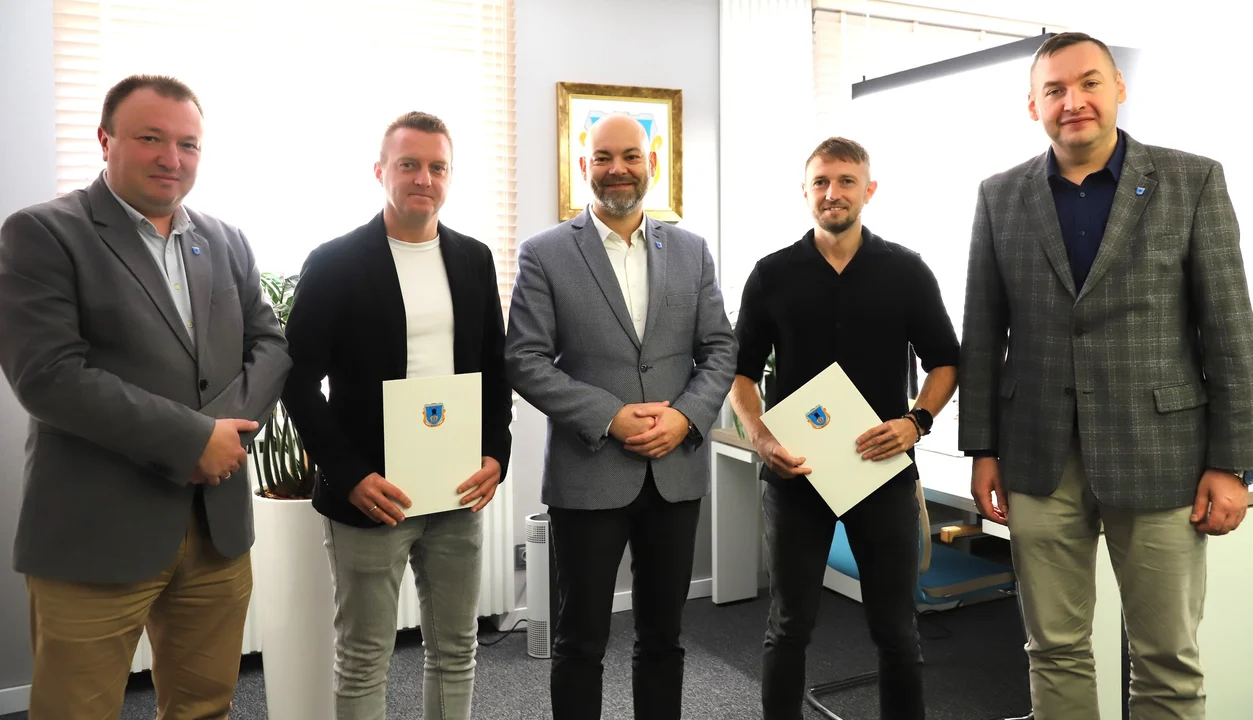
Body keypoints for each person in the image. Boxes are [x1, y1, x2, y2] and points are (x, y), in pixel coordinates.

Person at [959, 32, 1253, 720]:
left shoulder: (1192, 180)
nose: (1073, 101)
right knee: (1053, 648)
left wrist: (1231, 463)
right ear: (1032, 105)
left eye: (1088, 82)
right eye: (1054, 90)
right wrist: (983, 448)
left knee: (1166, 658)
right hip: (1036, 454)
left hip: (1162, 455)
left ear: (1118, 87)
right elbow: (983, 333)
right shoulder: (999, 195)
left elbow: (1229, 333)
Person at [0, 74, 291, 719]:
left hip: (215, 529)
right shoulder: (44, 232)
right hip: (96, 529)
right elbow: (48, 374)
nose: (172, 158)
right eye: (151, 138)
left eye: (188, 144)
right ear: (105, 140)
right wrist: (193, 440)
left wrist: (218, 439)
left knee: (204, 707)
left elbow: (271, 346)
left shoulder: (226, 239)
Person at [281, 110, 512, 720]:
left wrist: (497, 452)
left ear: (451, 176)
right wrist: (348, 475)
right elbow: (298, 382)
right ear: (380, 170)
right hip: (371, 494)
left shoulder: (474, 259)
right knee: (364, 658)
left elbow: (495, 368)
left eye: (438, 167)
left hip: (457, 489)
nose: (423, 178)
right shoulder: (334, 261)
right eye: (409, 164)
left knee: (457, 650)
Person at [505, 113, 736, 719]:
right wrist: (610, 416)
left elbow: (719, 348)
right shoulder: (546, 253)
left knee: (664, 637)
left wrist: (686, 417)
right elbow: (525, 359)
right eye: (604, 157)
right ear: (585, 166)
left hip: (675, 473)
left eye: (630, 156)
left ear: (650, 163)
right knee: (580, 641)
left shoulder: (690, 250)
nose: (618, 169)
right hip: (588, 473)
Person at [730, 136, 959, 720]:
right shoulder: (772, 274)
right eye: (821, 182)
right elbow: (739, 372)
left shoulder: (906, 270)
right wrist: (761, 438)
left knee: (896, 629)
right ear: (805, 192)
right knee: (789, 625)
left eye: (846, 181)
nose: (833, 193)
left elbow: (945, 361)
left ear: (869, 190)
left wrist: (916, 422)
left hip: (880, 472)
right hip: (796, 476)